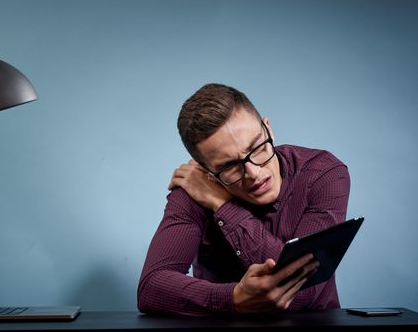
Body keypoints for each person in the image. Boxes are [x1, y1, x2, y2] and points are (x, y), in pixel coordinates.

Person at [137, 83, 350, 316]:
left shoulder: (322, 173)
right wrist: (233, 298)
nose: (254, 173)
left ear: (268, 130)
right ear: (207, 172)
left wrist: (222, 204)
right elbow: (151, 288)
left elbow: (302, 292)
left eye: (257, 147)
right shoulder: (192, 192)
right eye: (229, 166)